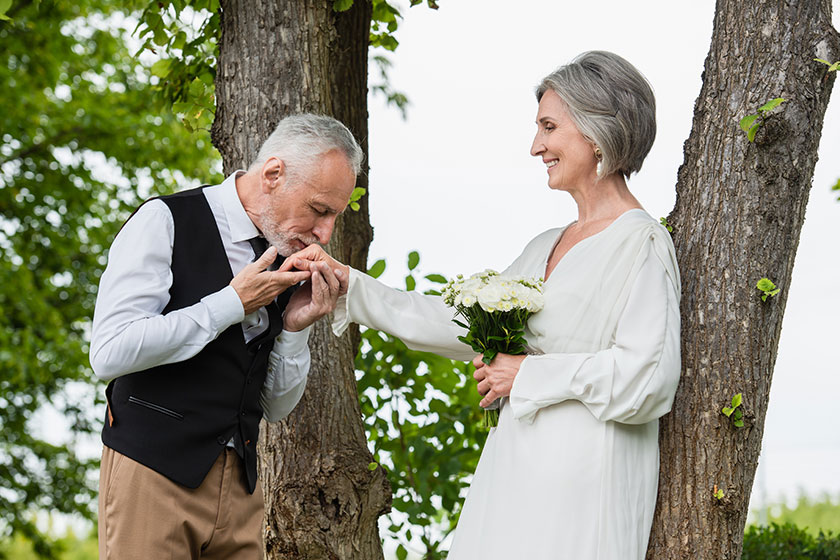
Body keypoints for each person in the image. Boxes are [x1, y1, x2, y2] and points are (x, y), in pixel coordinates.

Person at [283, 51, 681, 559]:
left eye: (549, 127)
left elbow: (650, 378)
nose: (536, 146)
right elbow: (459, 322)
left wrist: (527, 376)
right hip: (513, 473)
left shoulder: (641, 243)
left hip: (586, 486)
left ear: (597, 128)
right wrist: (349, 287)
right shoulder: (545, 245)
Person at [90, 113, 362, 559]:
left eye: (334, 215)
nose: (325, 232)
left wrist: (294, 329)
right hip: (153, 473)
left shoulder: (282, 254)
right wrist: (231, 304)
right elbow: (110, 351)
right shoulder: (166, 220)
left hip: (240, 490)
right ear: (273, 174)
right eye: (319, 210)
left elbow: (274, 406)